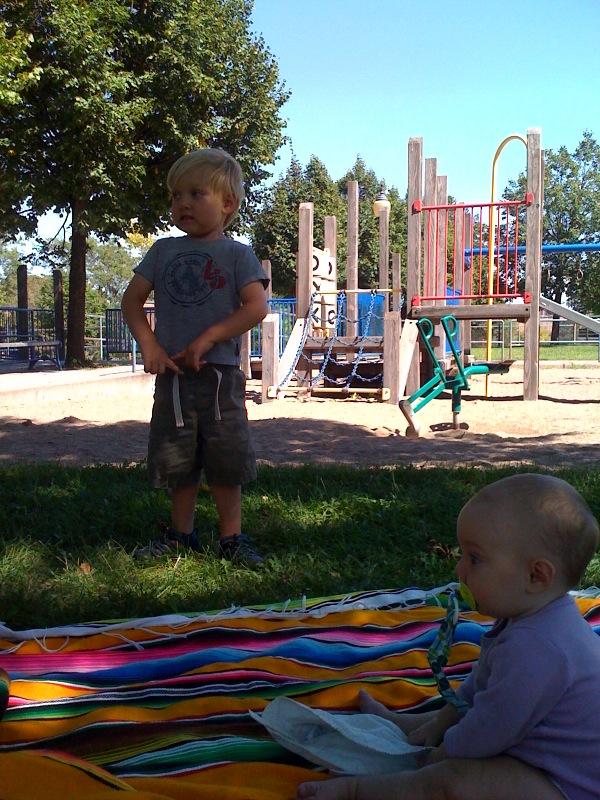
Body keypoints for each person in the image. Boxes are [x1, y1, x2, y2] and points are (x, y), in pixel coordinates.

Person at [297, 473, 600, 800]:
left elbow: (490, 729)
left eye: (474, 558)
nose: (459, 570)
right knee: (464, 715)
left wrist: (440, 756)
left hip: (569, 786)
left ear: (535, 576)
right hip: (541, 753)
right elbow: (479, 687)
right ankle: (410, 726)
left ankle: (357, 790)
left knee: (452, 779)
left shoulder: (540, 649)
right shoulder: (528, 619)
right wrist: (442, 721)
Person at [122, 148, 269, 565]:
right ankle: (180, 536)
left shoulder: (238, 254)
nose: (182, 203)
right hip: (174, 377)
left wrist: (210, 338)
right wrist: (150, 344)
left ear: (227, 204)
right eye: (176, 196)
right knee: (178, 458)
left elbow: (256, 307)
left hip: (220, 377)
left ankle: (231, 538)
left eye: (196, 194)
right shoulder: (162, 250)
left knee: (225, 456)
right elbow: (131, 301)